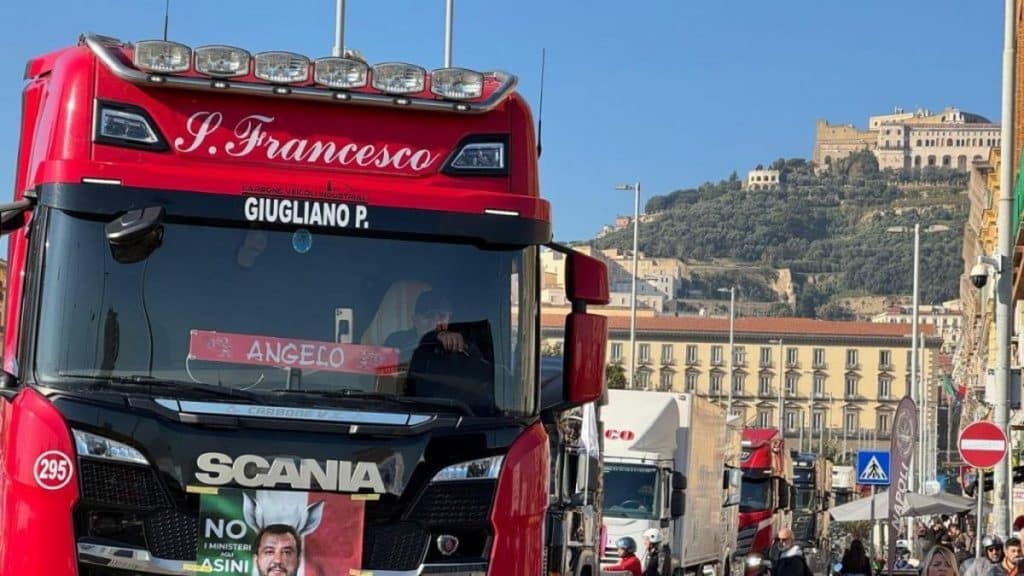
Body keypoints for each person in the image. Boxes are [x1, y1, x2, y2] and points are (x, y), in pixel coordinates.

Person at [384, 290, 467, 364]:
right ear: (415, 320)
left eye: (442, 316)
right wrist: (434, 337)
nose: (436, 322)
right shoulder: (395, 341)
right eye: (429, 316)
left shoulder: (459, 342)